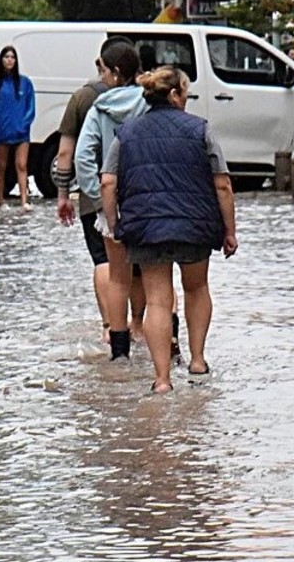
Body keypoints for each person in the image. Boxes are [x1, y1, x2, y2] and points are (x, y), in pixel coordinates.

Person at [100, 66, 238, 393]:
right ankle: (198, 361)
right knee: (196, 288)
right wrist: (229, 230)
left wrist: (115, 224)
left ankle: (162, 380)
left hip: (146, 227)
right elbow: (223, 185)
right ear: (175, 94)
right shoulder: (201, 130)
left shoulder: (127, 133)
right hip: (195, 225)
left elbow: (107, 182)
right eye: (186, 94)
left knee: (158, 300)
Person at [54, 36, 132, 347]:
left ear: (104, 64)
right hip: (140, 194)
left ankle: (110, 327)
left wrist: (63, 194)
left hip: (95, 195)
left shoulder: (84, 98)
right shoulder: (147, 96)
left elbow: (66, 152)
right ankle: (141, 326)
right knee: (143, 270)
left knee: (105, 262)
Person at [75, 42, 150, 360]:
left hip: (113, 203)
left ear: (116, 73)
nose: (100, 77)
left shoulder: (99, 108)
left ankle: (120, 352)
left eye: (103, 70)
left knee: (118, 278)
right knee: (154, 275)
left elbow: (82, 158)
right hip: (149, 201)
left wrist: (97, 193)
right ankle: (162, 340)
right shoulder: (150, 104)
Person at [0, 45, 36, 212]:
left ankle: (24, 200)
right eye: (6, 57)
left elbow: (31, 106)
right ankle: (0, 200)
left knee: (21, 165)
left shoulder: (25, 83)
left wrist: (25, 124)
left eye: (12, 57)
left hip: (21, 132)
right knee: (0, 166)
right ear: (1, 60)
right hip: (2, 132)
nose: (9, 60)